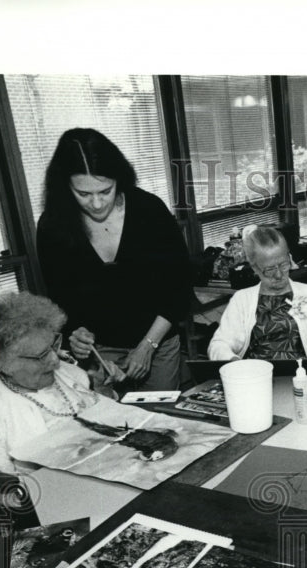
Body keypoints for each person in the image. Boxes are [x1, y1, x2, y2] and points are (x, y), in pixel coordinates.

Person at [36, 128, 192, 392]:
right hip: (99, 352)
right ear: (65, 187)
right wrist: (77, 335)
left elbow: (177, 288)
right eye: (83, 194)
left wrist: (147, 347)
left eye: (105, 191)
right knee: (108, 426)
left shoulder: (149, 210)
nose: (96, 203)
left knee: (162, 421)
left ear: (119, 179)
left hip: (157, 340)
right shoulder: (53, 226)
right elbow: (61, 298)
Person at [0, 291, 119, 474]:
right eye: (41, 356)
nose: (55, 360)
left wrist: (104, 387)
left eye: (53, 346)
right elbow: (0, 481)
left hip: (110, 464)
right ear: (4, 363)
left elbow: (108, 416)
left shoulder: (64, 371)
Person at [207, 225, 307, 361]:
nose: (278, 275)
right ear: (255, 268)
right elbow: (219, 345)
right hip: (257, 378)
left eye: (284, 265)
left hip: (303, 376)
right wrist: (233, 362)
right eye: (270, 269)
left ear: (289, 258)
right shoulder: (242, 300)